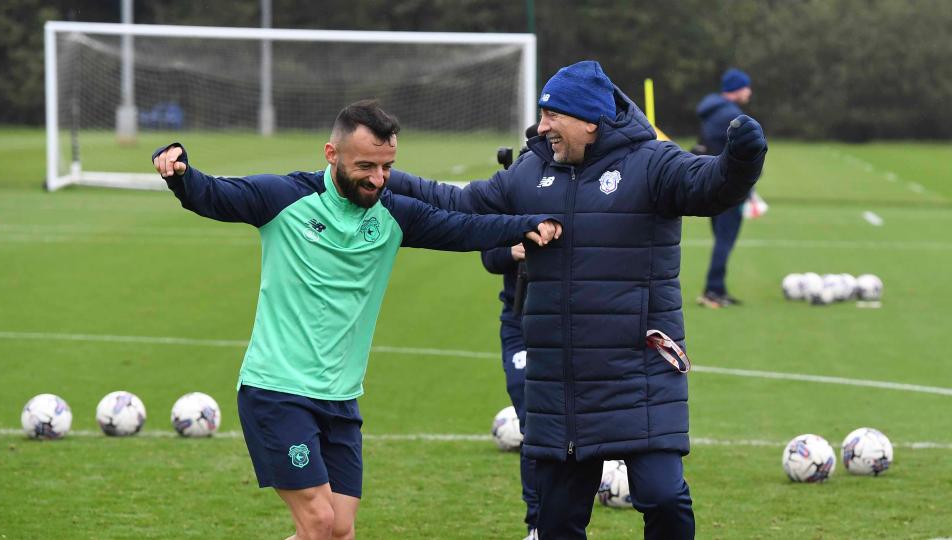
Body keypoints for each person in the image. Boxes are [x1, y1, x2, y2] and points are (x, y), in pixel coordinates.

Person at [387, 61, 767, 539]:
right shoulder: (528, 173)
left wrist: (742, 159)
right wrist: (382, 179)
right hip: (562, 384)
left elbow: (713, 186)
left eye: (552, 115)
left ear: (590, 119)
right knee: (557, 521)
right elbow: (457, 202)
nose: (542, 127)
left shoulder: (653, 163)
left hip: (639, 375)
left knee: (665, 498)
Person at [151, 100, 562, 540]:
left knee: (340, 530)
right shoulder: (284, 198)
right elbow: (213, 195)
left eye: (387, 167)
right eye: (366, 166)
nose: (378, 178)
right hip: (277, 390)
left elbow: (462, 227)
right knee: (319, 523)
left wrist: (527, 224)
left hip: (341, 398)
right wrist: (180, 171)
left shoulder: (394, 214)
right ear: (332, 154)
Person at [481, 243, 539, 540]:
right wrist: (511, 252)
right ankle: (537, 525)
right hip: (519, 324)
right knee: (533, 423)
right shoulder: (513, 199)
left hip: (573, 321)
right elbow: (489, 256)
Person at [695, 68, 755, 308]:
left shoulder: (713, 111)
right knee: (724, 239)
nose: (750, 91)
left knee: (722, 238)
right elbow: (741, 152)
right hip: (728, 185)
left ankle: (717, 288)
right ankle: (713, 291)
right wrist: (747, 183)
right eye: (747, 87)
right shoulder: (730, 115)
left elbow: (704, 146)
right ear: (738, 89)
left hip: (711, 181)